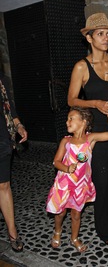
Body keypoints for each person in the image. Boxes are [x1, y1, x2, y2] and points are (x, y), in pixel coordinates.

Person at [67, 12, 108, 245]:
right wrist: (94, 103)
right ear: (90, 38)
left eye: (107, 34)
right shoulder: (81, 67)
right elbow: (72, 100)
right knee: (102, 180)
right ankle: (105, 230)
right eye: (100, 34)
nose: (106, 38)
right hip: (97, 131)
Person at [46, 106, 108, 252]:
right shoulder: (65, 141)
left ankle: (74, 238)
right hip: (64, 183)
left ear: (83, 122)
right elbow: (56, 161)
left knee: (76, 214)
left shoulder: (89, 139)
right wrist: (66, 168)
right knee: (60, 213)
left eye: (71, 118)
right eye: (67, 119)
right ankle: (57, 231)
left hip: (80, 185)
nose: (67, 122)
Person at [0, 71, 28, 252]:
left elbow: (10, 107)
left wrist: (19, 125)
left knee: (3, 185)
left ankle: (12, 233)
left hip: (2, 138)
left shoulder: (1, 79)